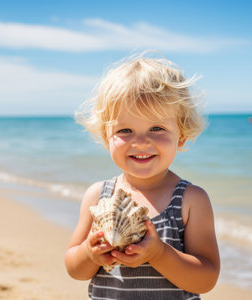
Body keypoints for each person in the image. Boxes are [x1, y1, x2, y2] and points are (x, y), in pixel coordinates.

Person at [64, 53, 220, 299]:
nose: (141, 141)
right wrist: (89, 254)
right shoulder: (98, 196)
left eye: (156, 128)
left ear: (180, 135)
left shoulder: (191, 200)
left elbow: (206, 279)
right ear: (107, 138)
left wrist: (159, 254)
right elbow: (74, 268)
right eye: (125, 130)